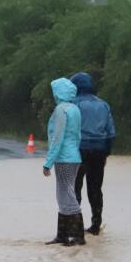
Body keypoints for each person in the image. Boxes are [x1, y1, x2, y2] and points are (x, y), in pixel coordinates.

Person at [70, 72, 116, 235]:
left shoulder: (72, 104)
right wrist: (106, 152)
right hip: (99, 151)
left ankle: (76, 225)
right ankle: (96, 225)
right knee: (95, 188)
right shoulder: (103, 105)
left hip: (78, 151)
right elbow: (111, 132)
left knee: (75, 187)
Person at [42, 77, 84, 246]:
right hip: (74, 157)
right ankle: (63, 235)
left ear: (59, 93)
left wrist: (48, 162)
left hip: (64, 158)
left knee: (66, 193)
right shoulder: (75, 109)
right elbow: (77, 136)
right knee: (65, 193)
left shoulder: (61, 110)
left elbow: (57, 138)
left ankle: (77, 235)